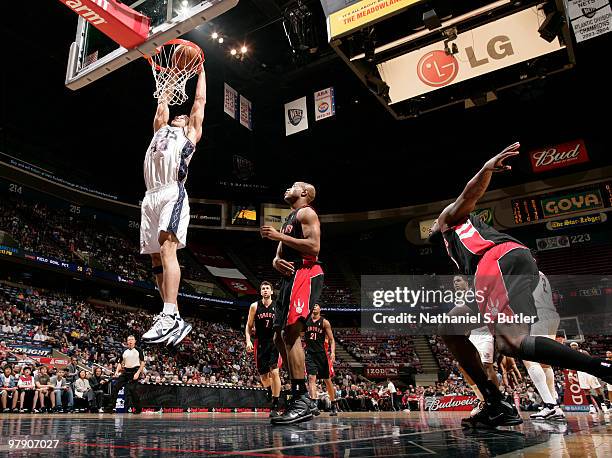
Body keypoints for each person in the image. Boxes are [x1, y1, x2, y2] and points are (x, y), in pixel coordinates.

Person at [428, 142, 612, 428]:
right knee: (452, 329)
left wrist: (487, 168)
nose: (431, 226)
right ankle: (495, 402)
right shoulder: (454, 245)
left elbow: (469, 194)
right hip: (505, 265)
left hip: (498, 260)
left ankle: (599, 368)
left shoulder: (451, 221)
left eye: (432, 224)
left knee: (511, 342)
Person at [140, 63, 207, 346]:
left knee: (168, 248)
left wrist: (200, 68)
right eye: (176, 115)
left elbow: (199, 103)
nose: (179, 116)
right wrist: (170, 78)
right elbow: (162, 103)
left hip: (172, 191)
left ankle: (169, 313)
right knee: (155, 256)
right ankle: (173, 316)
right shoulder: (160, 129)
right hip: (149, 196)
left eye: (183, 116)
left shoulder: (189, 134)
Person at [261, 182, 324, 424]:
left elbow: (314, 247)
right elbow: (279, 254)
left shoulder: (307, 212)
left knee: (290, 333)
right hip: (289, 276)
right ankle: (301, 394)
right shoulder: (289, 218)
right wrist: (276, 260)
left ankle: (301, 398)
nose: (287, 188)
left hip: (306, 272)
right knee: (278, 338)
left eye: (294, 186)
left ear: (305, 193)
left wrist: (277, 235)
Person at [525, 271, 565, 421]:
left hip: (538, 315)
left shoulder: (521, 271)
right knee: (545, 362)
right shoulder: (541, 274)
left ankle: (550, 405)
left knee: (528, 357)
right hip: (551, 314)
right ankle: (553, 404)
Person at [245, 281, 282, 417]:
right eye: (263, 289)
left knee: (275, 372)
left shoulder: (278, 306)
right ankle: (268, 389)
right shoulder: (254, 306)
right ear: (261, 292)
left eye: (267, 288)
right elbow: (249, 327)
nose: (265, 290)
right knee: (264, 377)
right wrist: (248, 341)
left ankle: (275, 404)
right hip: (260, 343)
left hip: (274, 343)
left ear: (272, 292)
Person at [304, 304, 338, 416]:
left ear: (320, 309)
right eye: (312, 305)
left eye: (316, 306)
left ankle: (333, 404)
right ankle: (314, 404)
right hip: (310, 354)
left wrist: (332, 352)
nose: (314, 307)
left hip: (321, 354)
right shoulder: (306, 321)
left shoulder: (324, 322)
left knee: (327, 380)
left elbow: (332, 340)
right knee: (311, 378)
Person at [106, 336, 145, 414]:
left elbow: (142, 363)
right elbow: (121, 363)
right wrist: (117, 371)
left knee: (132, 390)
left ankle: (138, 408)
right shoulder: (124, 351)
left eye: (132, 340)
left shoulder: (139, 350)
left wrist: (138, 373)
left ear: (135, 341)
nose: (130, 341)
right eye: (128, 340)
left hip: (135, 371)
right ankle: (110, 407)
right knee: (116, 387)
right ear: (127, 342)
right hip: (126, 371)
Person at [569, 342, 609, 414]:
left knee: (597, 388)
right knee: (585, 390)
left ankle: (603, 405)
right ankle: (591, 407)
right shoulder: (571, 355)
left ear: (577, 346)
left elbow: (591, 361)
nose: (573, 346)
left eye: (574, 345)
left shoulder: (584, 352)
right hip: (580, 373)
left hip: (589, 371)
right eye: (572, 346)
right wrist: (570, 373)